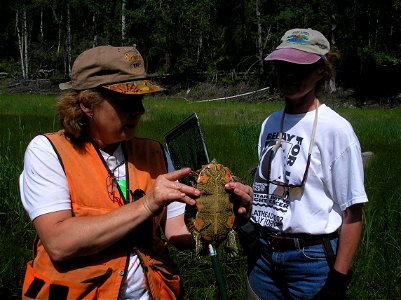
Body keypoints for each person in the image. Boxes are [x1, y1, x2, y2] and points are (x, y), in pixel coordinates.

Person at [19, 45, 253, 299]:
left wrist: (221, 219)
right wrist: (147, 204)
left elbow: (175, 230)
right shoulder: (49, 151)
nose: (139, 110)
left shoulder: (153, 153)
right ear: (87, 104)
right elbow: (59, 243)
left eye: (141, 100)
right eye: (127, 102)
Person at [247, 28, 368, 299]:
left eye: (301, 68)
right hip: (264, 256)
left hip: (311, 261)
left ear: (321, 71)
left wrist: (337, 281)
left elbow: (353, 214)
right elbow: (275, 191)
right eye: (284, 66)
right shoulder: (269, 124)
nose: (290, 75)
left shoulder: (336, 130)